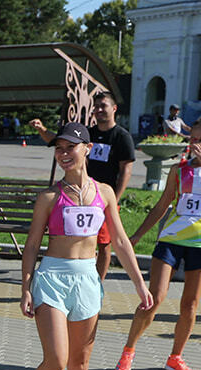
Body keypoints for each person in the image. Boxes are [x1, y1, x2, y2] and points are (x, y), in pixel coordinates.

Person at [15, 122, 153, 370]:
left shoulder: (104, 192)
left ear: (87, 149)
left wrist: (139, 284)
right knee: (57, 359)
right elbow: (32, 245)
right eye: (59, 148)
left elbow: (119, 241)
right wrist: (25, 287)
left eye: (70, 147)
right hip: (52, 279)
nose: (63, 154)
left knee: (80, 362)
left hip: (87, 279)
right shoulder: (49, 196)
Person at [112, 116, 201, 370]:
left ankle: (175, 357)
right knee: (153, 297)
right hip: (170, 239)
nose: (197, 145)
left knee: (190, 305)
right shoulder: (179, 169)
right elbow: (162, 205)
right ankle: (127, 353)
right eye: (193, 140)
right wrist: (135, 236)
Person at [32, 91, 137, 279]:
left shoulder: (122, 136)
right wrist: (41, 129)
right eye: (95, 107)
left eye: (103, 106)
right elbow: (60, 143)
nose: (98, 110)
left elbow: (126, 171)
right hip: (76, 194)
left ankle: (99, 282)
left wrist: (113, 199)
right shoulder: (87, 133)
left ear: (114, 108)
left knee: (104, 243)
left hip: (101, 197)